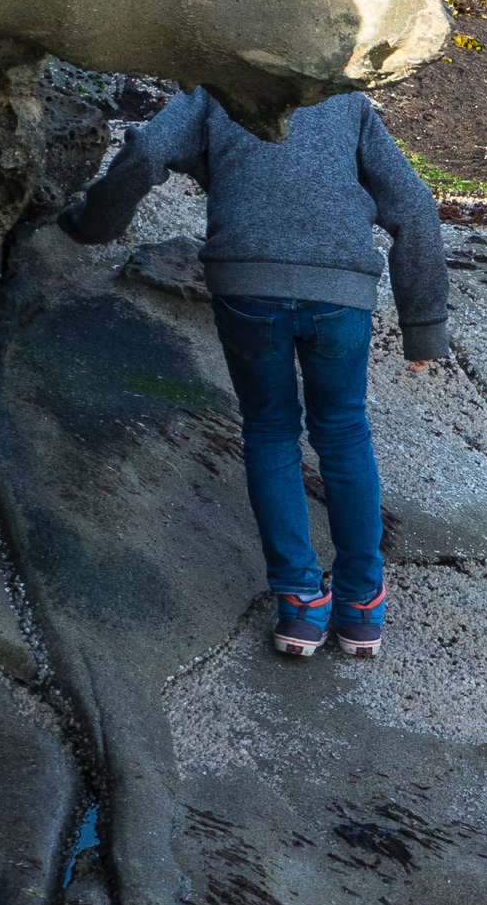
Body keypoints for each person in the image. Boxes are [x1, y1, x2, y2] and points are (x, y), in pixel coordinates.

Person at [61, 84, 449, 662]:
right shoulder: (347, 103)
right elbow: (414, 206)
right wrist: (424, 327)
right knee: (342, 432)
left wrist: (93, 225)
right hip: (339, 293)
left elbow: (146, 152)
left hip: (247, 286)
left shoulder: (216, 90)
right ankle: (362, 608)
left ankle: (298, 604)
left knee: (270, 430)